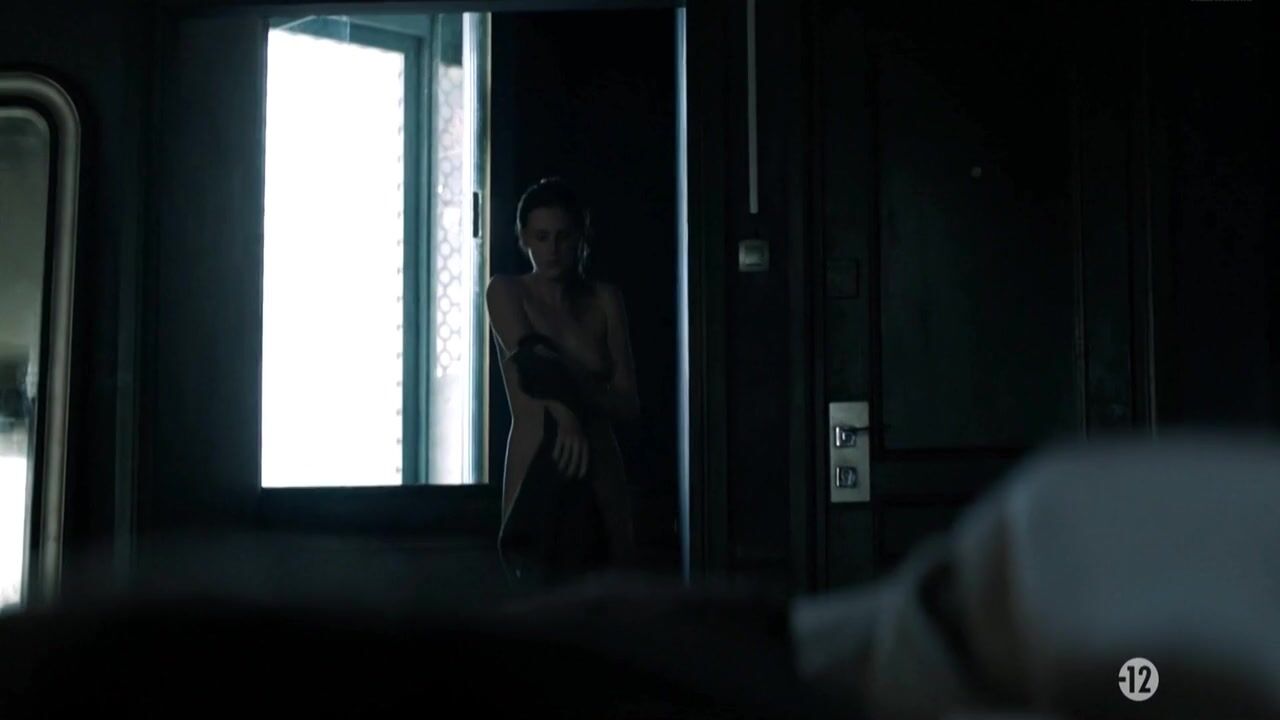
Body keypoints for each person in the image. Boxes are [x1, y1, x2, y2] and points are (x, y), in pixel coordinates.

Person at [486, 177, 639, 584]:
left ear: (580, 236)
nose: (552, 250)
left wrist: (576, 396)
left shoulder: (604, 299)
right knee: (538, 594)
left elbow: (628, 402)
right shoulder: (506, 291)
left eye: (563, 237)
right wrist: (566, 412)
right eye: (541, 237)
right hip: (537, 458)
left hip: (600, 465)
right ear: (523, 238)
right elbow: (530, 359)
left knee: (609, 591)